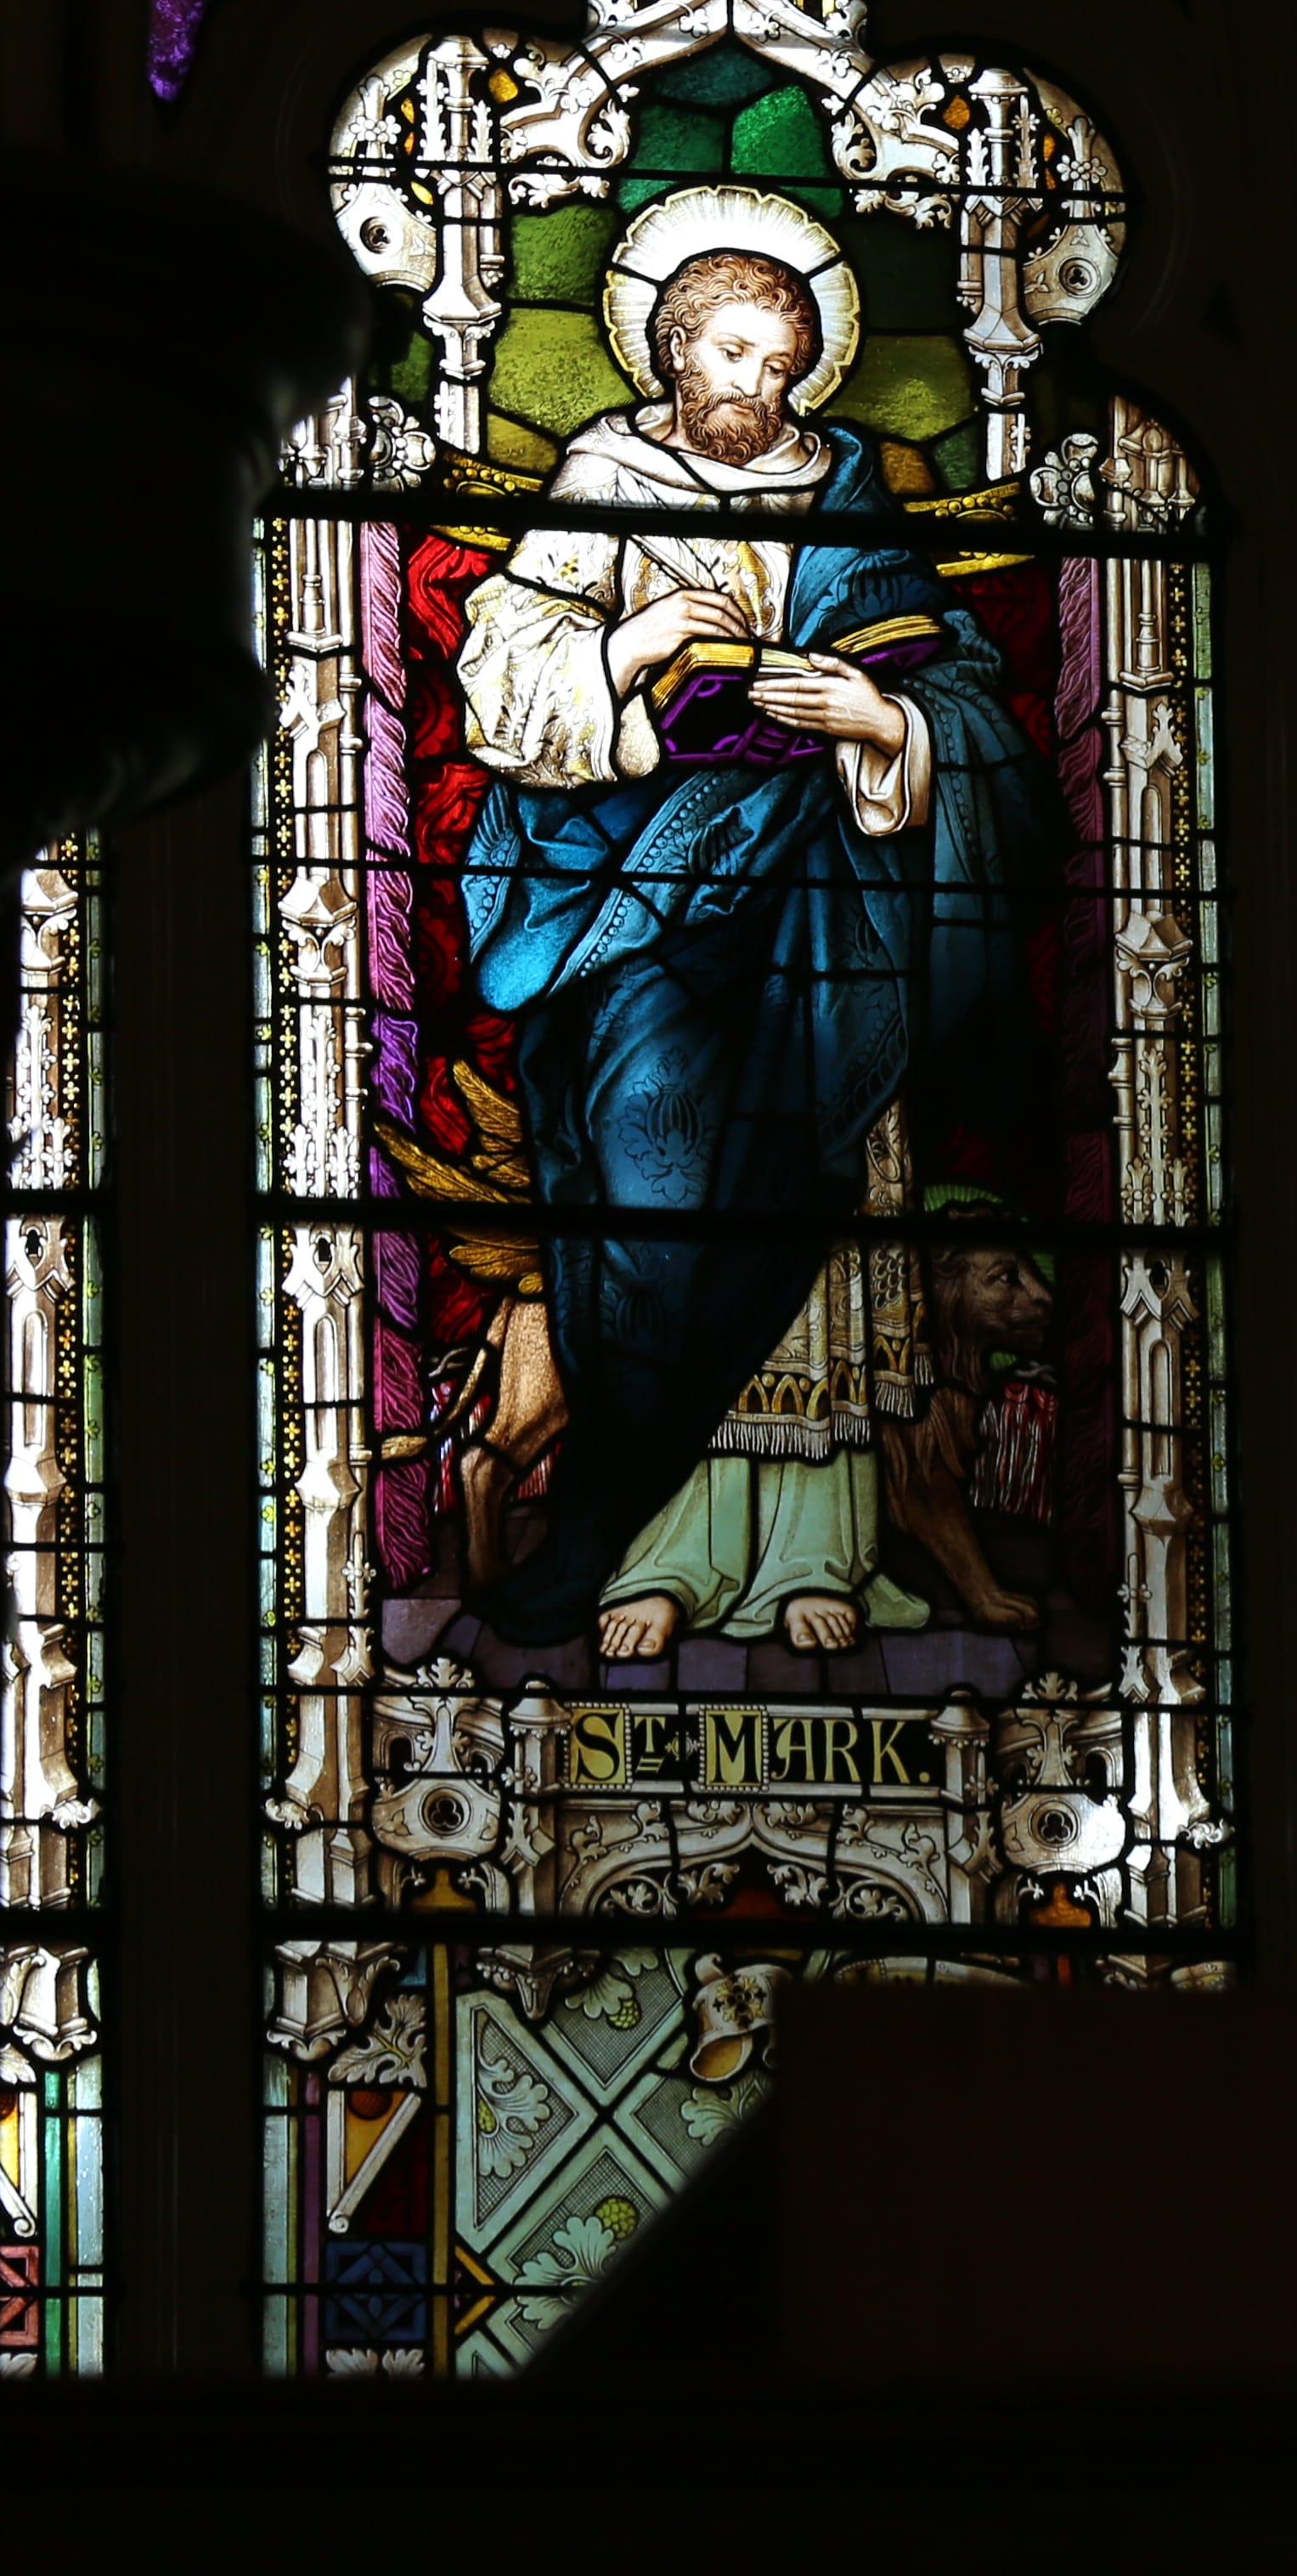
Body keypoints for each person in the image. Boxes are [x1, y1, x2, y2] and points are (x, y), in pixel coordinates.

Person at [448, 184, 1052, 1656]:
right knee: (653, 1189)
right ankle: (632, 1534)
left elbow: (956, 679)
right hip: (633, 894)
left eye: (778, 365)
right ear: (663, 351)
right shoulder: (604, 470)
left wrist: (880, 718)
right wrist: (636, 648)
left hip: (820, 905)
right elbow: (505, 676)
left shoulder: (845, 484)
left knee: (813, 1193)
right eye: (726, 356)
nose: (753, 390)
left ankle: (790, 1550)